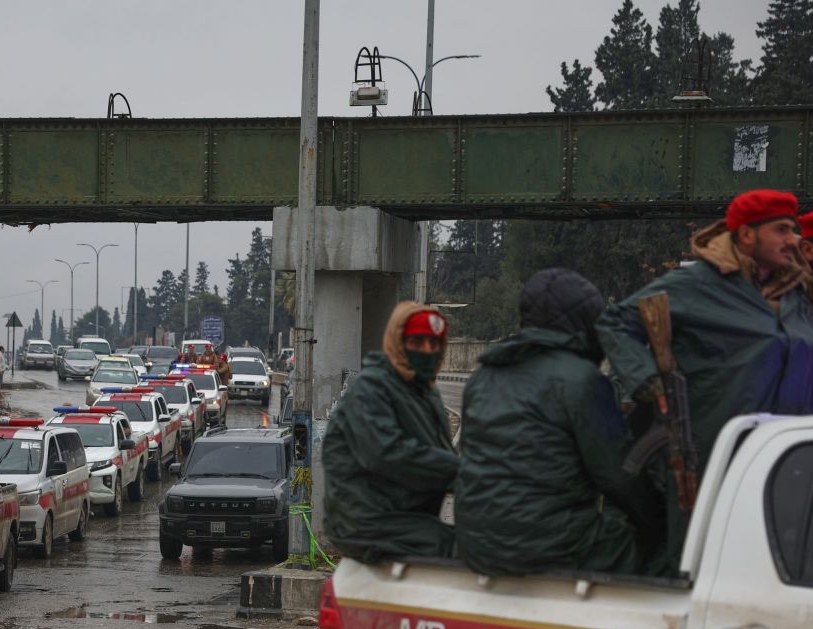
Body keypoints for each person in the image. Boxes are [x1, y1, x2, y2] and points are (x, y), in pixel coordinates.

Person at [597, 189, 813, 562]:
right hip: (712, 460)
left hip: (786, 461)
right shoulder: (698, 285)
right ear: (747, 235)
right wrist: (647, 380)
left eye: (794, 231)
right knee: (701, 566)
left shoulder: (794, 293)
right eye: (781, 230)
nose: (792, 240)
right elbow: (616, 322)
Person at [457, 269, 655, 576]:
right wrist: (661, 515)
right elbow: (620, 478)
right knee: (660, 552)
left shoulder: (483, 377)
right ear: (585, 323)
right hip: (551, 547)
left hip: (477, 544)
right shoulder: (582, 381)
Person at [322, 303, 459, 560]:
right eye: (417, 342)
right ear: (398, 343)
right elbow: (386, 453)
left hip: (405, 515)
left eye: (434, 344)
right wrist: (458, 471)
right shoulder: (372, 389)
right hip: (367, 521)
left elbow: (440, 454)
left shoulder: (423, 394)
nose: (428, 351)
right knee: (465, 552)